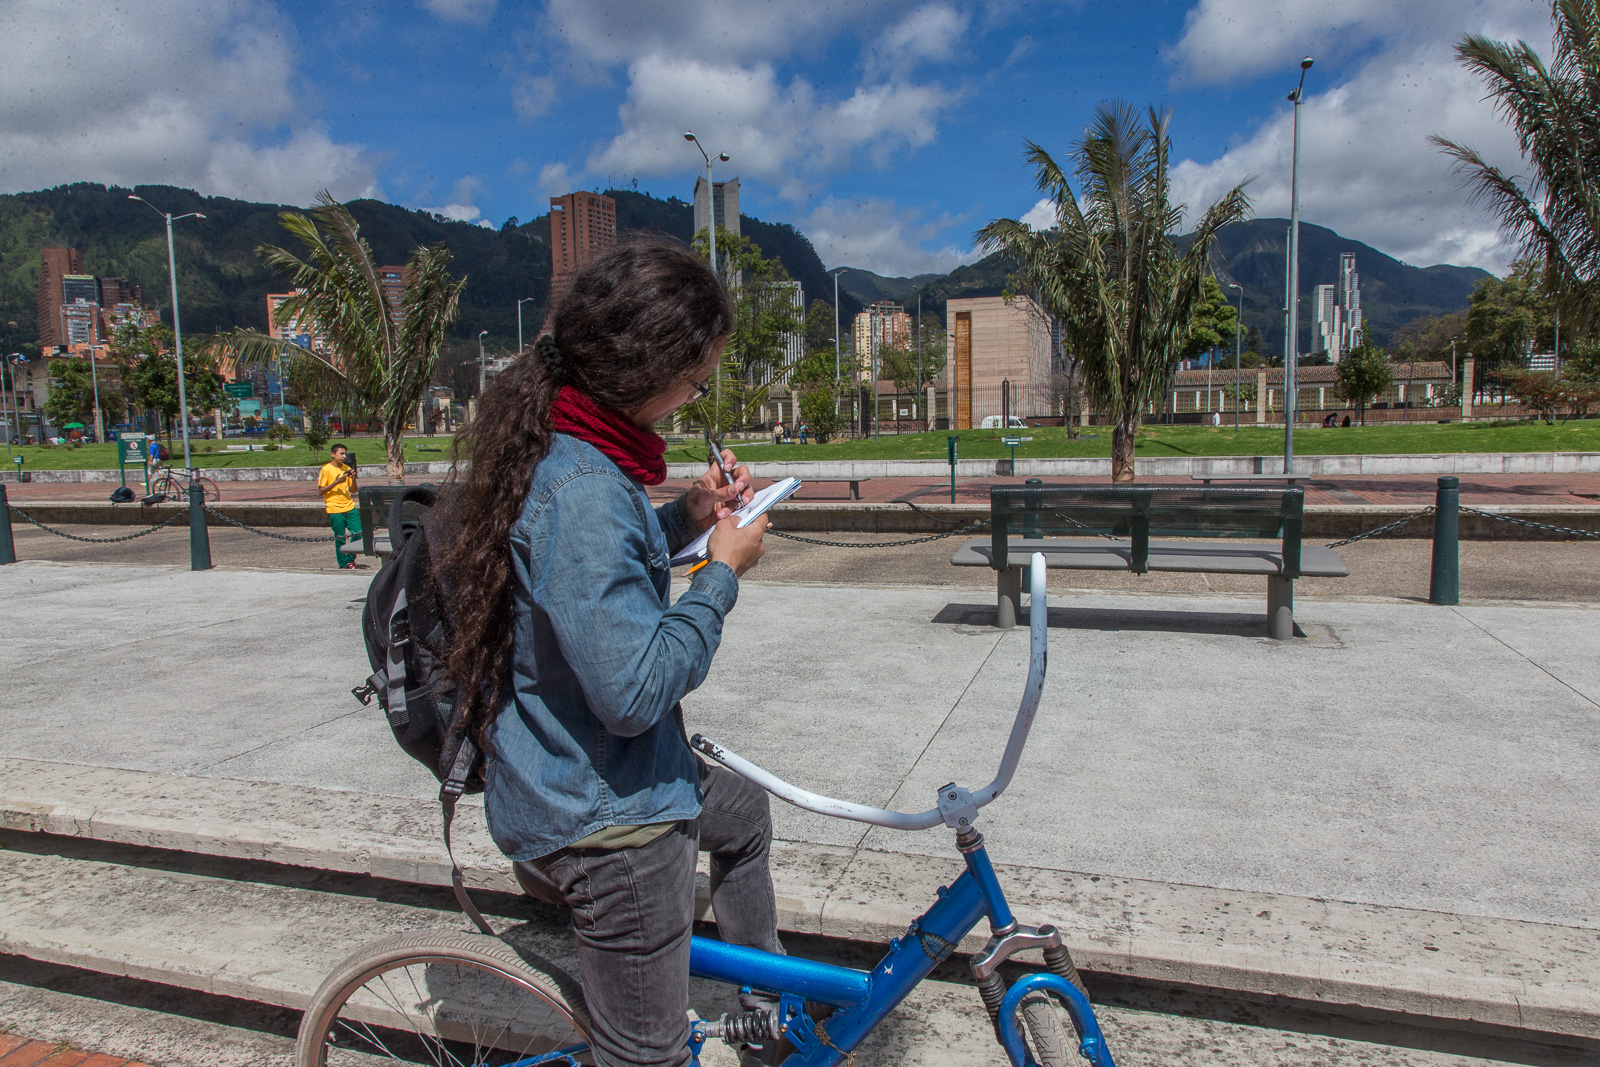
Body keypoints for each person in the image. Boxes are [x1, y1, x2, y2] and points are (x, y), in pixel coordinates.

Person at [434, 240, 777, 1067]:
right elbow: (633, 688)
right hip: (607, 824)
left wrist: (690, 517)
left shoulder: (572, 448)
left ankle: (766, 1012)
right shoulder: (585, 484)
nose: (698, 397)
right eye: (695, 380)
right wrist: (722, 574)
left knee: (743, 813)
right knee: (645, 1055)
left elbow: (589, 578)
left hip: (586, 777)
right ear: (643, 373)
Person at [317, 443, 363, 569]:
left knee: (358, 533)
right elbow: (321, 491)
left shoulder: (346, 468)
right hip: (335, 508)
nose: (344, 456)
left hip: (349, 506)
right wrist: (336, 482)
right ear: (333, 454)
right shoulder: (326, 469)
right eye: (341, 453)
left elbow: (353, 490)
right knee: (340, 538)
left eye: (345, 454)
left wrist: (353, 479)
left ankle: (350, 559)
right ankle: (343, 564)